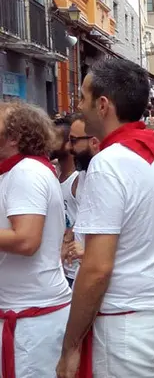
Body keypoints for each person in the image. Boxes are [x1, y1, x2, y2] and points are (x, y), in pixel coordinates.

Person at [56, 58, 154, 378]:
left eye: (83, 99)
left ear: (103, 105)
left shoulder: (109, 163)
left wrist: (70, 346)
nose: (79, 107)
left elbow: (97, 269)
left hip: (126, 323)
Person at [0, 102, 71, 378]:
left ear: (15, 136)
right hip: (26, 314)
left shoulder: (26, 173)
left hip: (32, 321)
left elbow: (26, 240)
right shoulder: (17, 171)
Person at [60, 114, 101, 278]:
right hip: (78, 271)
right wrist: (70, 234)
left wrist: (88, 253)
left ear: (93, 142)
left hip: (97, 275)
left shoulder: (106, 174)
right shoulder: (84, 172)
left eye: (74, 140)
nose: (69, 147)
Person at [52, 116, 79, 287]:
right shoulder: (53, 174)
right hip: (60, 269)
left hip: (75, 270)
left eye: (54, 138)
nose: (47, 142)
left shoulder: (78, 180)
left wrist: (70, 234)